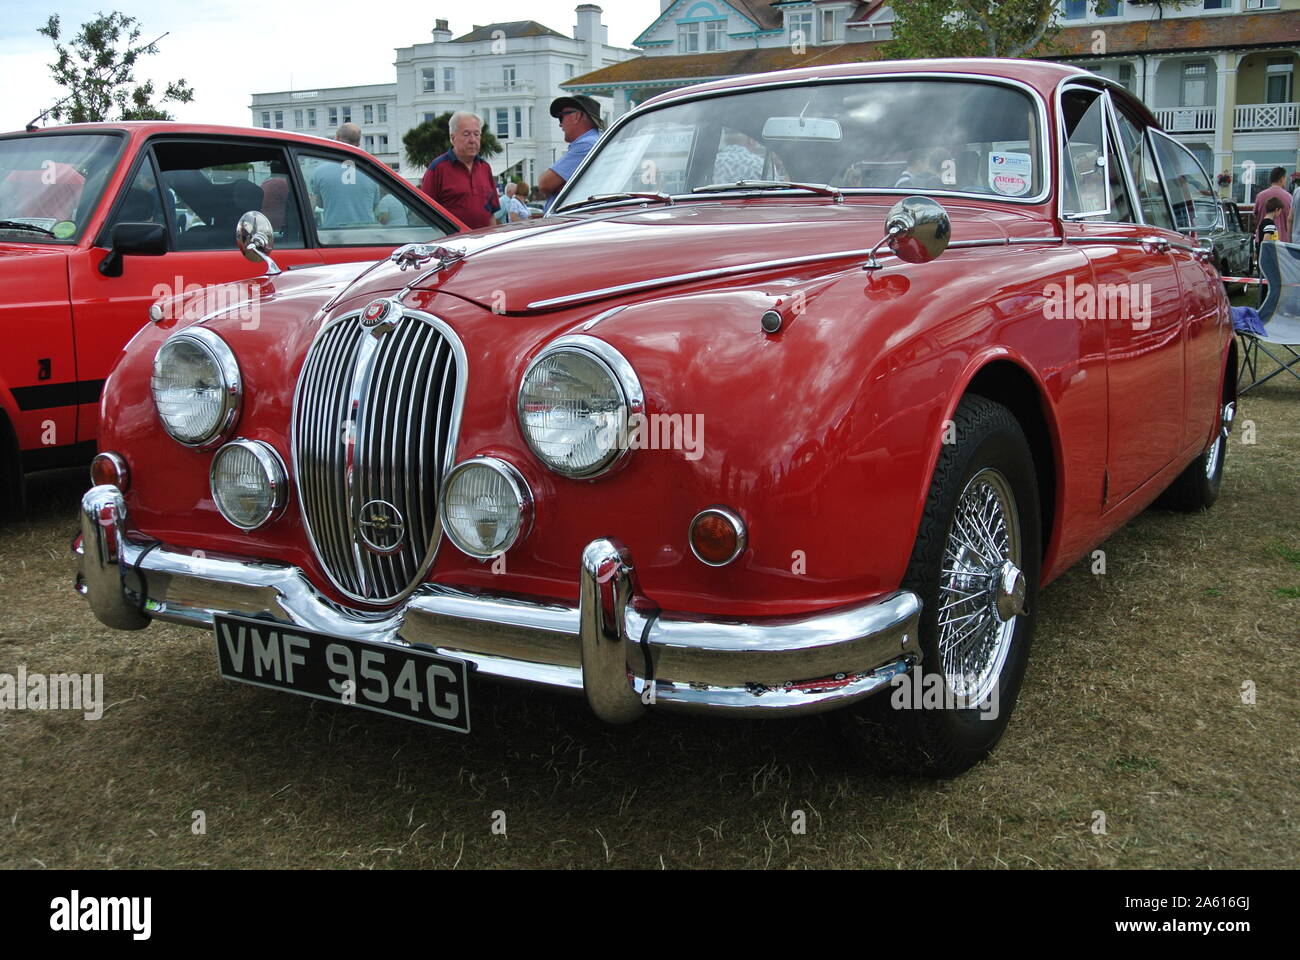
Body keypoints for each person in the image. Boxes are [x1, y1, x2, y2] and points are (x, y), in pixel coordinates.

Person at [420, 111, 499, 229]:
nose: (473, 140)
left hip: (482, 242)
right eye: (466, 134)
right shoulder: (438, 168)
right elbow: (425, 214)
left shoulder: (485, 168)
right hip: (452, 244)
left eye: (476, 134)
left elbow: (491, 214)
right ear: (453, 138)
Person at [539, 95, 604, 213]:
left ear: (576, 116)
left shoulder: (585, 145)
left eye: (561, 117)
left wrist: (560, 187)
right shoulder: (597, 140)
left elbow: (545, 184)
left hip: (569, 221)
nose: (560, 124)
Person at [309, 123, 378, 227]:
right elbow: (374, 205)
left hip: (334, 235)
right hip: (365, 235)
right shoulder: (372, 172)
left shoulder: (320, 172)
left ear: (337, 138)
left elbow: (320, 204)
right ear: (358, 143)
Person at [1251, 166, 1291, 243]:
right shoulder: (1289, 197)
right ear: (1282, 179)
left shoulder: (1260, 196)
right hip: (1282, 241)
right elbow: (1291, 219)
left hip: (1262, 240)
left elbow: (1255, 217)